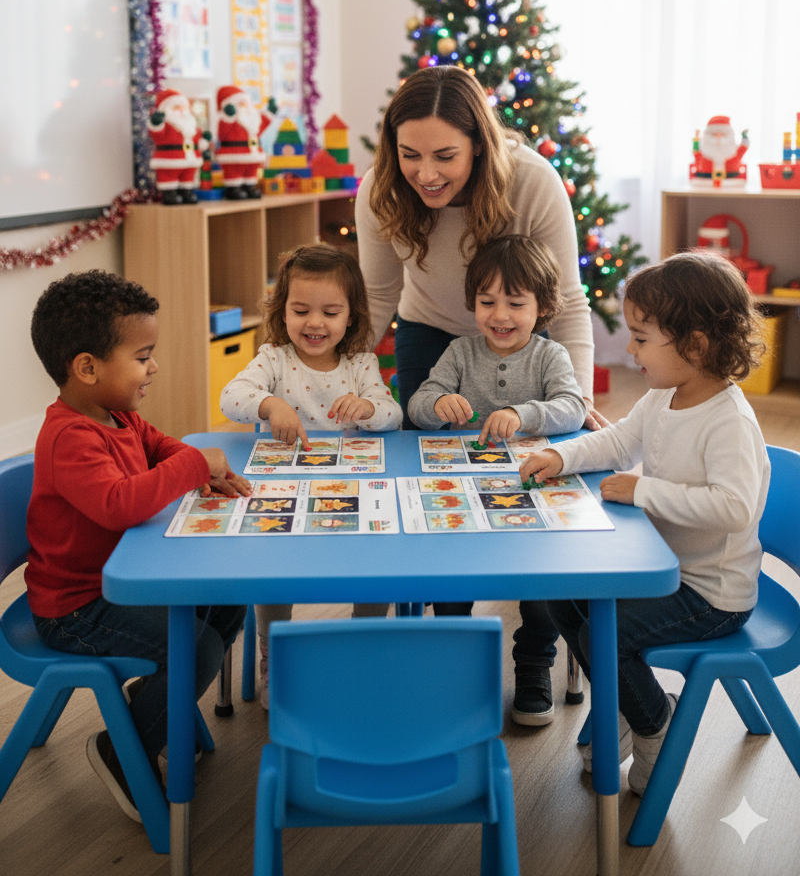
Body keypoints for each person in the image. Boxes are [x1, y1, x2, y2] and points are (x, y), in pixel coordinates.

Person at [355, 65, 599, 721]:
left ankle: (535, 657)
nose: (425, 173)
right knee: (436, 493)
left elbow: (570, 301)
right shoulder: (381, 190)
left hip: (525, 341)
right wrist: (335, 383)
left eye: (445, 156)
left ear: (480, 146)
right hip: (431, 333)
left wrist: (574, 398)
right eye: (409, 154)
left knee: (537, 502)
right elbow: (376, 297)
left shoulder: (532, 182)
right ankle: (452, 648)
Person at [518, 252, 770, 795]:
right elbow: (616, 441)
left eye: (640, 338)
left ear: (695, 345)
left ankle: (655, 720)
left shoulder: (728, 420)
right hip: (664, 570)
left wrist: (644, 490)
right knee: (562, 596)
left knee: (604, 635)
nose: (630, 350)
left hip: (712, 594)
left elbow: (735, 507)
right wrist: (561, 456)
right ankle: (630, 702)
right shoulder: (663, 396)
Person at [26, 270, 250, 822]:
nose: (154, 368)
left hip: (122, 580)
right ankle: (122, 749)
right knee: (195, 649)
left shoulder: (117, 413)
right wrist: (194, 465)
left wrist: (196, 465)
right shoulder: (69, 437)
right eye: (143, 357)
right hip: (76, 607)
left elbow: (162, 446)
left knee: (228, 602)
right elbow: (119, 504)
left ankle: (157, 707)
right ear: (87, 368)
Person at [409, 234, 586, 725]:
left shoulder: (550, 356)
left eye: (515, 303)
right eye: (487, 302)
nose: (500, 315)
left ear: (543, 307)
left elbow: (573, 408)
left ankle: (534, 664)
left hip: (530, 494)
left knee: (542, 583)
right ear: (473, 303)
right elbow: (418, 405)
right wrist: (437, 404)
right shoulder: (459, 352)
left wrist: (522, 413)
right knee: (451, 574)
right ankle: (459, 663)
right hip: (459, 496)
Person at [220, 243, 401, 709]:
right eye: (300, 310)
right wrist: (269, 403)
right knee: (272, 569)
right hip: (284, 493)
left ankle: (364, 646)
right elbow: (231, 396)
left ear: (351, 316)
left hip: (350, 493)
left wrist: (368, 408)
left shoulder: (361, 364)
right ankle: (273, 656)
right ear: (282, 311)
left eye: (330, 312)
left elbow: (393, 415)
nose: (314, 323)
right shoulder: (274, 359)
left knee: (377, 562)